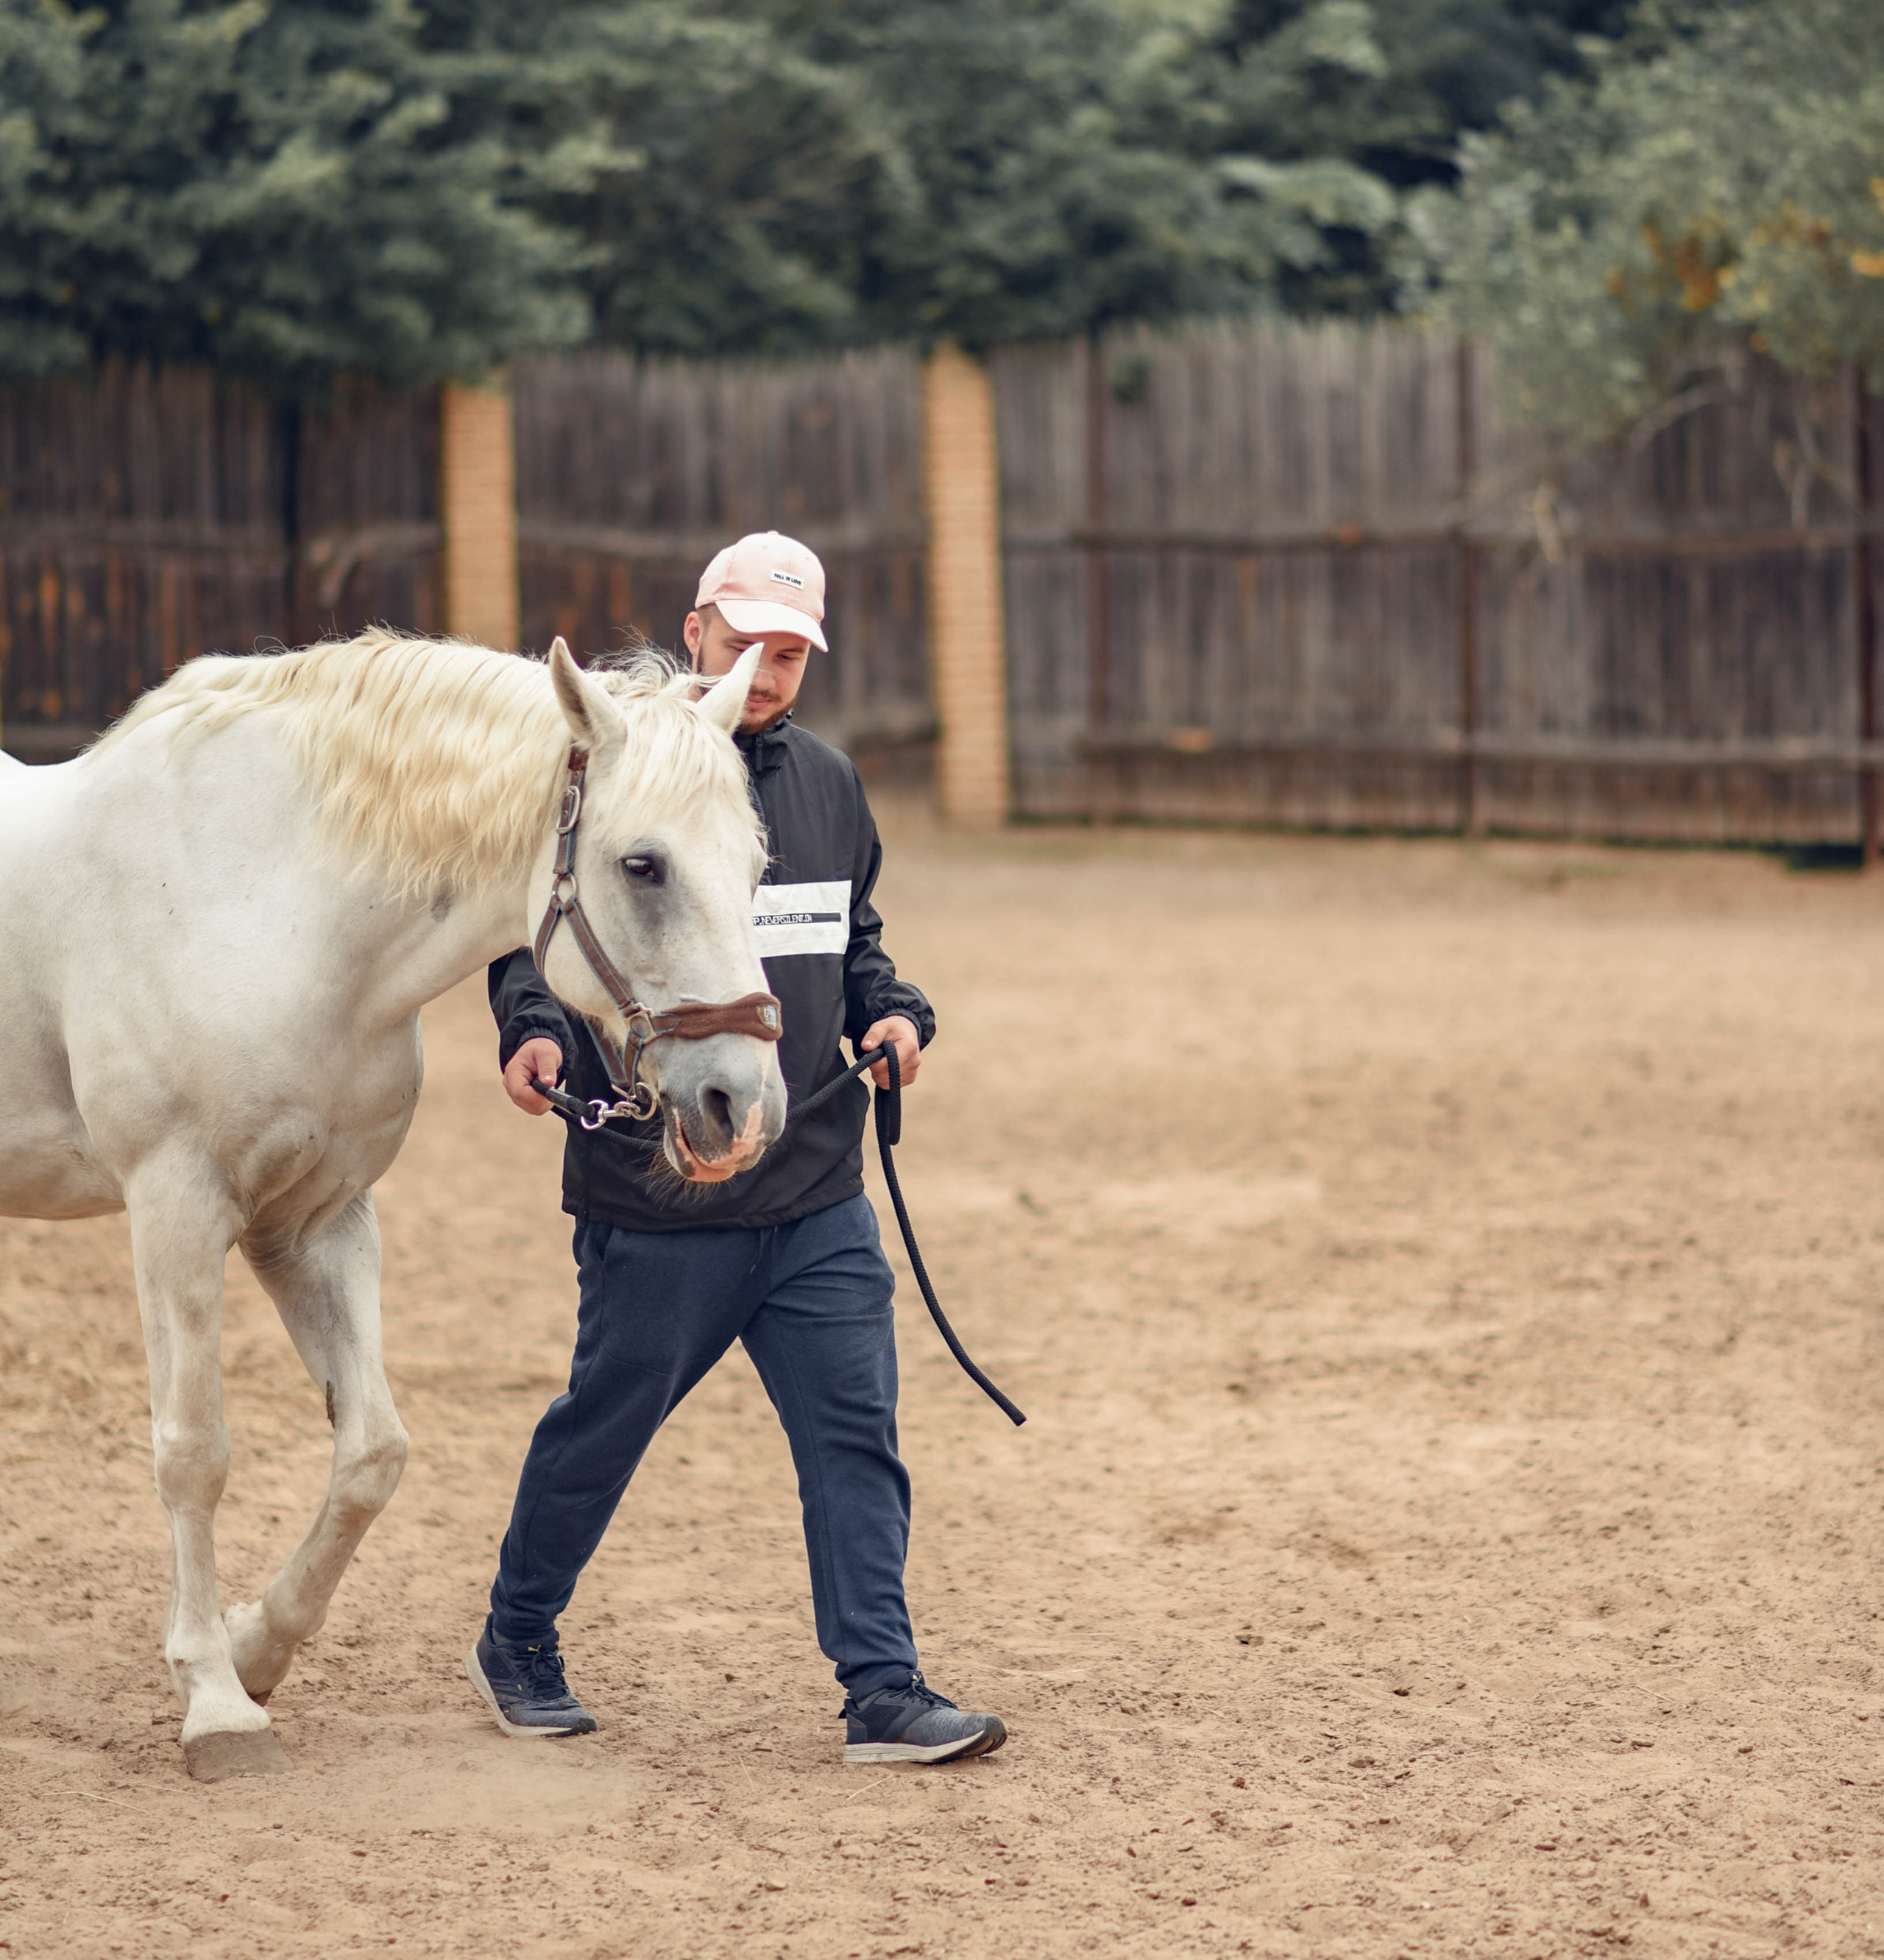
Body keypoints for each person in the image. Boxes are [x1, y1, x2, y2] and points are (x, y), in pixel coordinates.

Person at [467, 531, 1006, 1766]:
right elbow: (531, 925)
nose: (763, 669)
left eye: (789, 650)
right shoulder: (608, 769)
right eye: (745, 639)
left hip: (813, 1175)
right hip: (657, 1191)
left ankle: (882, 1686)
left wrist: (892, 1007)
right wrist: (531, 1025)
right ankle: (517, 1634)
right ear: (697, 625)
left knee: (853, 1432)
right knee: (607, 1422)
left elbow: (848, 929)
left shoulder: (827, 782)